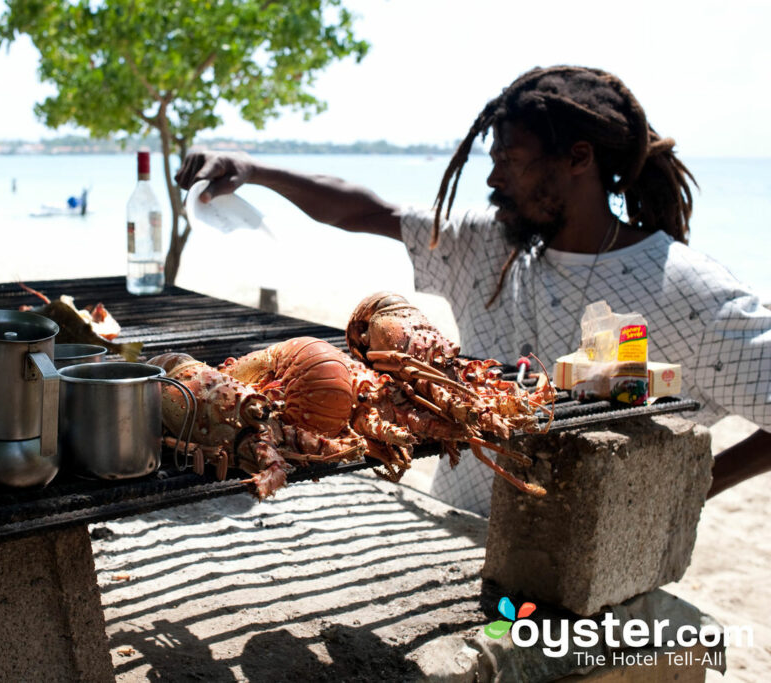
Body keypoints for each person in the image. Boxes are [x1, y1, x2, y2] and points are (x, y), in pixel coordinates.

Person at [175, 65, 771, 513]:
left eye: (510, 159)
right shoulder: (493, 248)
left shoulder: (686, 290)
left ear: (578, 158)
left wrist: (683, 498)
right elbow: (366, 210)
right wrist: (255, 170)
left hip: (565, 579)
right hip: (444, 527)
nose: (492, 177)